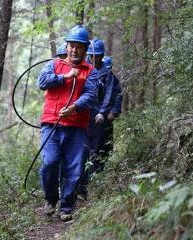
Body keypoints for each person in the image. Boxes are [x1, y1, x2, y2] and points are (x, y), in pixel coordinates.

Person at [37, 25, 98, 222]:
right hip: (51, 124)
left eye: (79, 47)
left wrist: (74, 107)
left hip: (77, 127)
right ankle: (50, 199)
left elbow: (91, 95)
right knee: (50, 162)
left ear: (85, 49)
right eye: (72, 45)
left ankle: (66, 207)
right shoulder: (54, 65)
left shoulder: (90, 71)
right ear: (67, 45)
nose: (74, 50)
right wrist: (65, 77)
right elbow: (42, 82)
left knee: (74, 168)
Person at [78, 39, 123, 200]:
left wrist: (104, 112)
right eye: (90, 56)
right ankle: (79, 187)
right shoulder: (86, 70)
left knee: (96, 150)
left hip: (98, 119)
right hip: (84, 117)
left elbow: (112, 94)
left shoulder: (107, 74)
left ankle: (93, 184)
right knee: (81, 151)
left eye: (95, 56)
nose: (92, 59)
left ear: (101, 56)